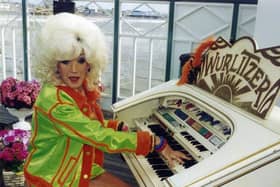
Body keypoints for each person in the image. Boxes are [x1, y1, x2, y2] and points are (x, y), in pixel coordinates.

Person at [24, 13, 187, 187]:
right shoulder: (54, 100)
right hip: (54, 176)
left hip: (77, 164)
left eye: (80, 60)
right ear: (54, 64)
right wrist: (154, 142)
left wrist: (113, 126)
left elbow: (84, 125)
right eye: (65, 61)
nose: (73, 69)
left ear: (90, 63)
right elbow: (96, 135)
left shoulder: (78, 89)